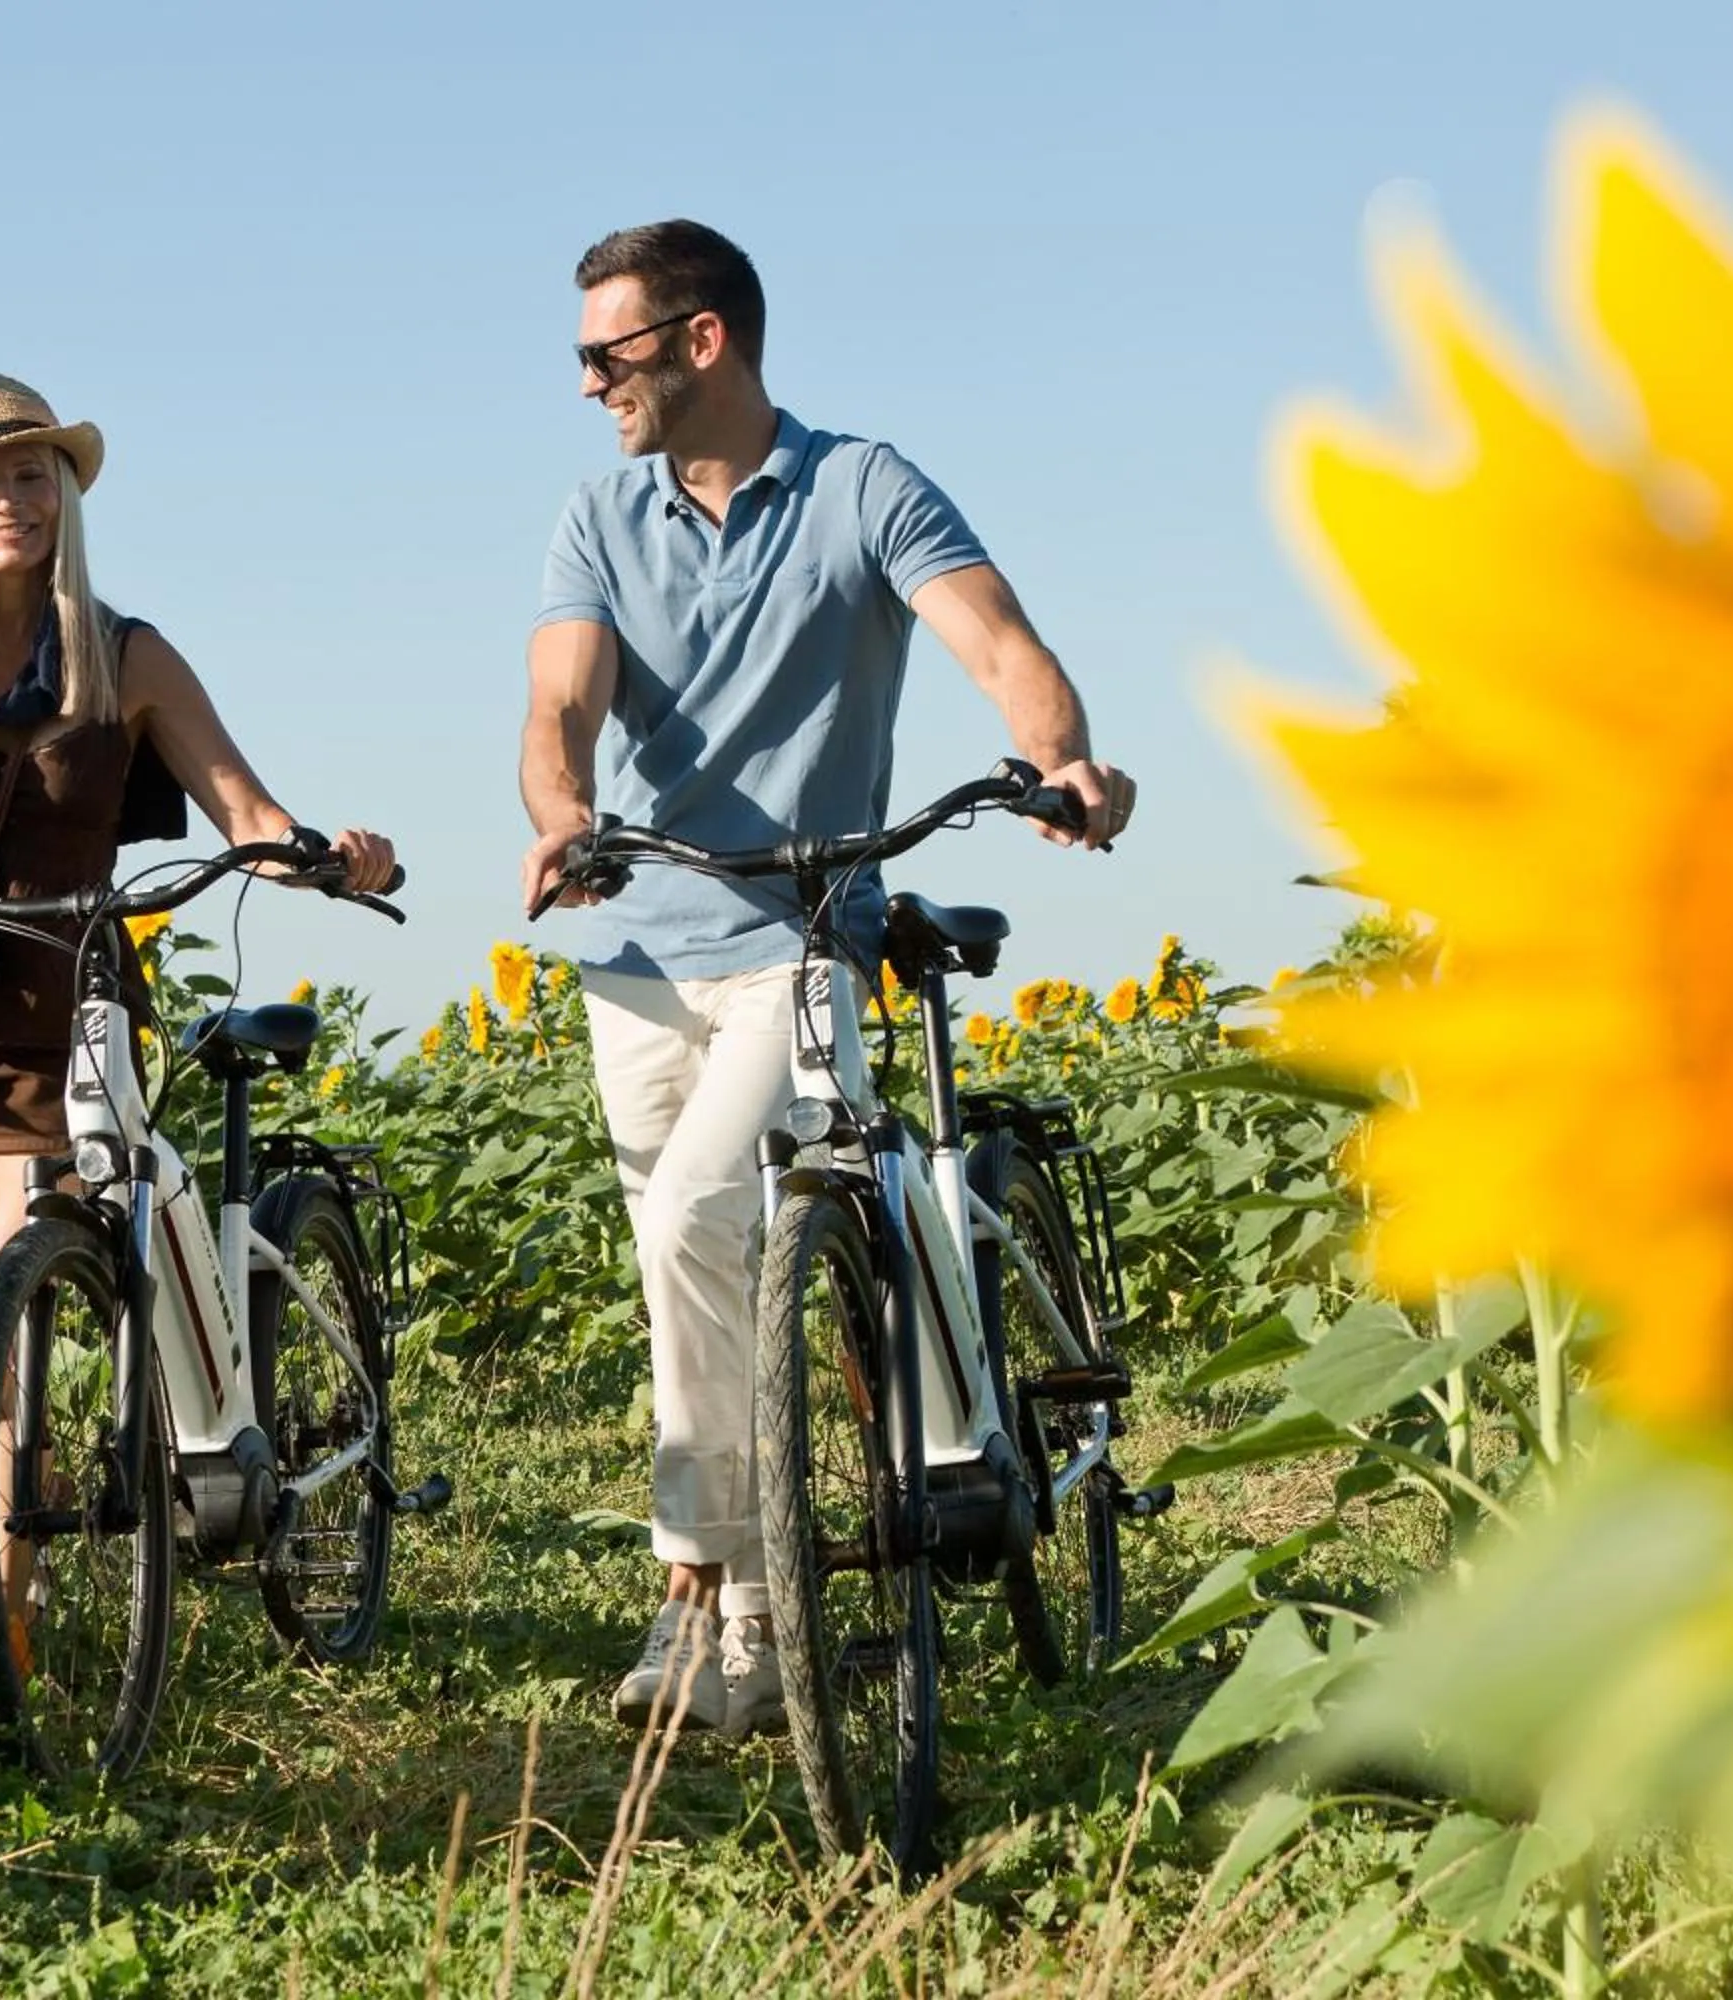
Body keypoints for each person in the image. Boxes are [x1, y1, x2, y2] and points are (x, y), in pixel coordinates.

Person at [517, 224, 1136, 1734]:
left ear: (703, 339)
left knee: (695, 1223)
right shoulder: (600, 515)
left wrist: (1063, 758)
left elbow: (995, 640)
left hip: (798, 945)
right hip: (635, 948)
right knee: (689, 1278)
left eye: (609, 354)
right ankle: (730, 1608)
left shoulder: (862, 486)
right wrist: (564, 814)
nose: (589, 382)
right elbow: (561, 700)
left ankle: (720, 1603)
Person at [0, 373, 395, 1645]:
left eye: (29, 474)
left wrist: (330, 855)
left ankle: (5, 1650)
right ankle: (36, 1489)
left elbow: (245, 808)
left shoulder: (125, 655)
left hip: (61, 1010)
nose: (6, 498)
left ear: (64, 493)